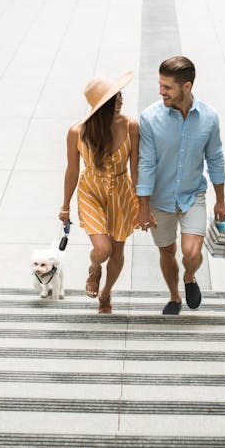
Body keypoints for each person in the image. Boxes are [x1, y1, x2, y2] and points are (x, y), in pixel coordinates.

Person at [136, 56, 225, 315]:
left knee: (190, 252)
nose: (161, 91)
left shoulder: (209, 118)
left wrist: (220, 199)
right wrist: (143, 207)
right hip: (160, 199)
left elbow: (216, 158)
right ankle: (175, 296)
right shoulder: (150, 118)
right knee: (167, 251)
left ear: (186, 87)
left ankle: (189, 276)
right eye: (160, 85)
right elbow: (146, 164)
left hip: (192, 195)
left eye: (167, 87)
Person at [59, 71, 139, 314]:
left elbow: (136, 169)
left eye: (120, 96)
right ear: (99, 106)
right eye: (113, 99)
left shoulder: (130, 126)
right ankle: (95, 267)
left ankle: (106, 293)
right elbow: (72, 171)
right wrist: (65, 206)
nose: (120, 102)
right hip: (91, 192)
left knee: (118, 252)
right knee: (103, 250)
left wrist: (143, 205)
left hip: (121, 191)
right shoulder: (77, 132)